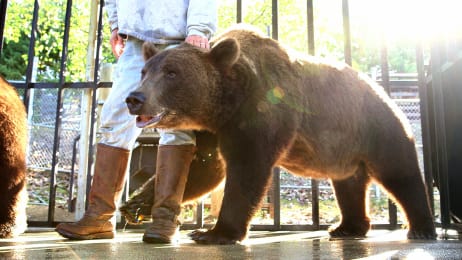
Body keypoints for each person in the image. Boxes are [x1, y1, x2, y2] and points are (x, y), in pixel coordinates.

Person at [55, 0, 217, 244]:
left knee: (175, 126)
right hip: (133, 42)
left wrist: (199, 29)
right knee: (114, 120)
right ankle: (100, 216)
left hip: (180, 39)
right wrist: (116, 24)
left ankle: (165, 219)